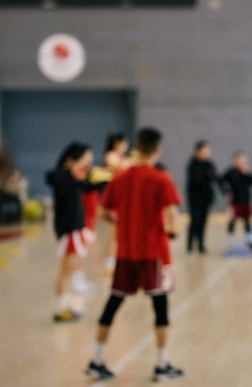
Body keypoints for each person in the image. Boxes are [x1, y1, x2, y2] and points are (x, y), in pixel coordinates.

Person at [85, 128, 184, 382]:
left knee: (113, 304)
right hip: (156, 254)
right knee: (161, 309)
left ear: (137, 148)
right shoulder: (161, 179)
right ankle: (162, 365)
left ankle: (96, 360)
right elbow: (174, 217)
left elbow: (103, 212)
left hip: (126, 253)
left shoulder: (120, 178)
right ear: (157, 150)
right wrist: (172, 231)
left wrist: (123, 224)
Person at [45, 142, 101, 322]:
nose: (86, 166)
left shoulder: (72, 178)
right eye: (83, 161)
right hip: (69, 229)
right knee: (66, 271)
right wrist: (82, 176)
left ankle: (65, 307)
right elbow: (60, 180)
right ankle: (61, 309)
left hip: (75, 229)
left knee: (71, 269)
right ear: (70, 160)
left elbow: (88, 186)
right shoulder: (61, 177)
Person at [101, 132, 131, 275]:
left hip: (123, 197)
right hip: (114, 197)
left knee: (120, 232)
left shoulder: (122, 158)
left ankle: (116, 259)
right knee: (115, 231)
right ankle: (109, 261)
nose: (125, 146)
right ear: (116, 143)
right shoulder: (111, 156)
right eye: (123, 143)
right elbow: (121, 168)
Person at [185, 140, 219, 253]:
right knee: (195, 222)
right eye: (204, 151)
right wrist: (206, 175)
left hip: (206, 199)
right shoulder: (192, 164)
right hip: (195, 199)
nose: (206, 153)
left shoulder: (209, 164)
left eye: (208, 151)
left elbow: (216, 178)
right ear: (198, 151)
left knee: (203, 222)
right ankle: (190, 245)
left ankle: (200, 245)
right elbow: (196, 181)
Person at [221, 151, 252, 235]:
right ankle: (230, 237)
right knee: (232, 220)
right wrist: (227, 191)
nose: (240, 162)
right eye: (238, 159)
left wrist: (248, 173)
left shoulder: (247, 171)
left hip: (245, 200)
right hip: (234, 201)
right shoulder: (231, 172)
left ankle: (248, 237)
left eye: (242, 160)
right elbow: (221, 181)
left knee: (247, 221)